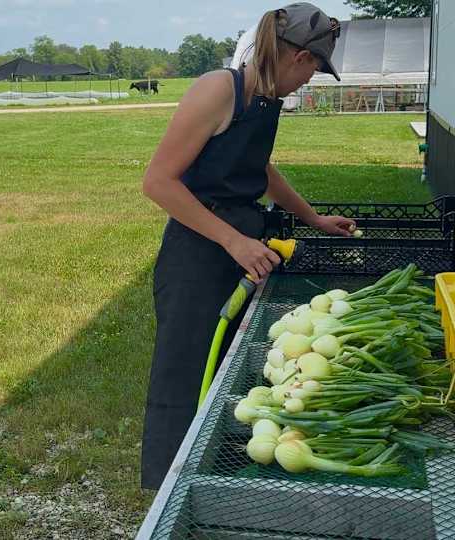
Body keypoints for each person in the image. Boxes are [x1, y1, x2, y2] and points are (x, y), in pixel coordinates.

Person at [140, 2, 357, 491]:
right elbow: (158, 183)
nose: (309, 83)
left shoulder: (262, 100)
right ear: (299, 57)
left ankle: (216, 468)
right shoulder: (219, 89)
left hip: (239, 246)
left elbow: (260, 170)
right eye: (315, 72)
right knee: (187, 367)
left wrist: (313, 218)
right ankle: (170, 488)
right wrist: (234, 241)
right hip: (197, 253)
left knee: (231, 365)